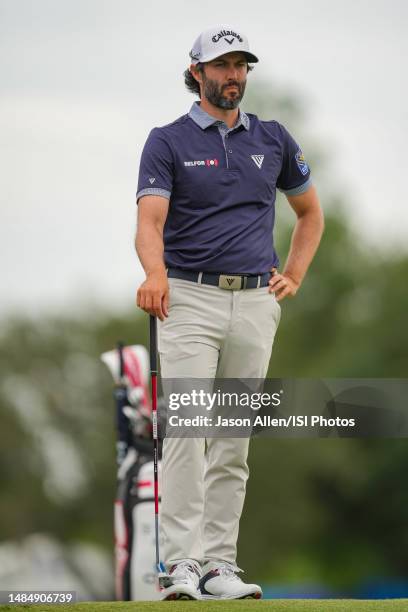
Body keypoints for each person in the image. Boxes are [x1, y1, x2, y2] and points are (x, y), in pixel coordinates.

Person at [135, 25, 324, 600]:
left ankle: (219, 566)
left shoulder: (273, 138)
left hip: (256, 302)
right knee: (189, 433)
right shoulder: (166, 141)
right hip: (188, 299)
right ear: (197, 72)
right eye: (222, 66)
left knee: (234, 437)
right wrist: (155, 273)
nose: (233, 76)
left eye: (242, 66)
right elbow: (150, 221)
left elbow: (310, 214)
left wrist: (293, 274)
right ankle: (183, 565)